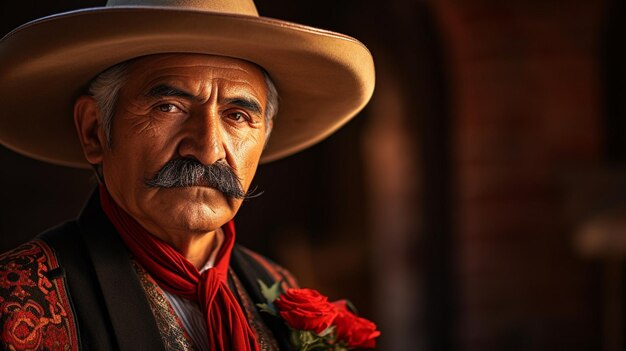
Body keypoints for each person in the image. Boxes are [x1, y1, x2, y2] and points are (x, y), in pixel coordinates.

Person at [0, 0, 375, 350]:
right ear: (94, 130)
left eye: (238, 116)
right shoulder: (15, 302)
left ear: (264, 137)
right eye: (169, 106)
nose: (209, 148)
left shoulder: (278, 286)